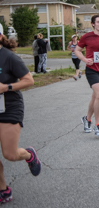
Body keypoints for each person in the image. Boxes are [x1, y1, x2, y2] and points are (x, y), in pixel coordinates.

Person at [0, 24, 41, 203]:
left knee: (10, 154)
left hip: (9, 107)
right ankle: (3, 189)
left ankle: (28, 154)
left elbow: (28, 80)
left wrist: (6, 87)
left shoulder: (9, 57)